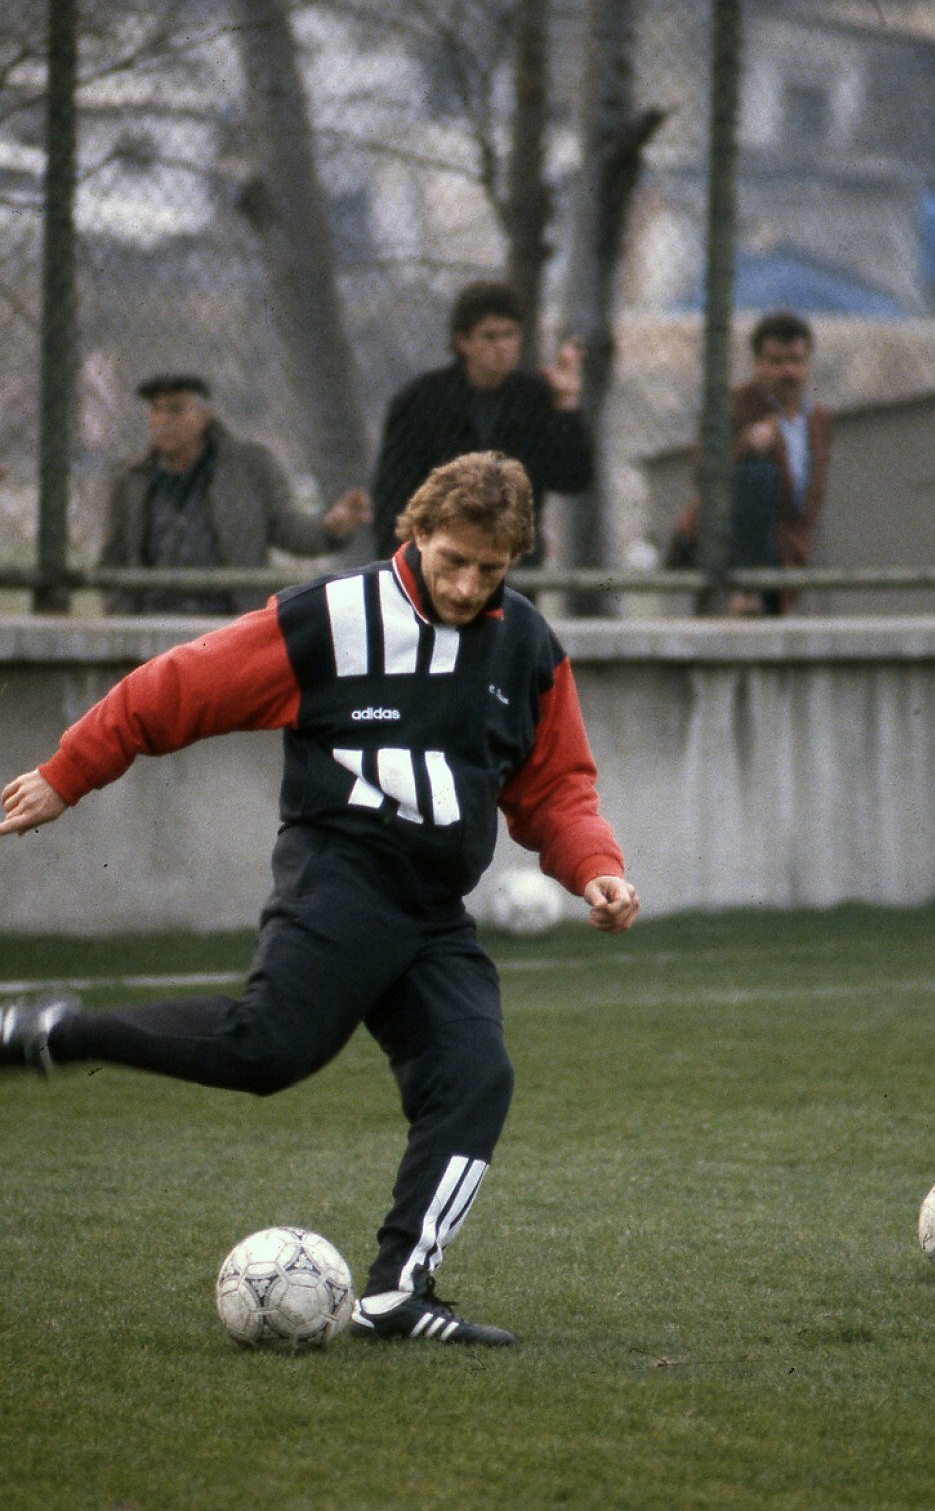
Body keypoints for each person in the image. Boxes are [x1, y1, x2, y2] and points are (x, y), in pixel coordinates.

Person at [0, 451, 639, 1348]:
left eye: (488, 570)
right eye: (450, 559)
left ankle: (396, 1293)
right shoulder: (332, 618)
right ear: (414, 533)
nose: (465, 585)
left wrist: (594, 865)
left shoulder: (526, 645)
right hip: (341, 876)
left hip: (431, 909)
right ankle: (52, 1032)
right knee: (270, 1050)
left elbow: (555, 786)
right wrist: (70, 774)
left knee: (475, 1075)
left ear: (515, 559)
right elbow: (176, 687)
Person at [100, 373, 372, 615]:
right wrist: (119, 612)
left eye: (176, 410)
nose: (163, 421)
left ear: (204, 417)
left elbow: (289, 530)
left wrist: (332, 528)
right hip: (153, 617)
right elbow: (114, 557)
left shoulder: (248, 468)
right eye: (156, 410)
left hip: (227, 618)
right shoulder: (131, 480)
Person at [370, 281, 593, 565]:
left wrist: (566, 405)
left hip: (510, 562)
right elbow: (394, 494)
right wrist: (404, 563)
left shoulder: (534, 399)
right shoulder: (422, 402)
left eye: (509, 335)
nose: (501, 347)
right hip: (441, 560)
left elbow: (572, 478)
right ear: (464, 342)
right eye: (489, 337)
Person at [668, 312, 832, 615]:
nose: (788, 372)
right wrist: (746, 446)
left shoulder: (818, 420)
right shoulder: (733, 405)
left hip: (784, 550)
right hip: (724, 541)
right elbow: (703, 473)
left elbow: (807, 500)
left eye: (796, 361)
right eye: (776, 362)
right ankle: (746, 591)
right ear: (758, 364)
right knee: (759, 475)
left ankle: (756, 592)